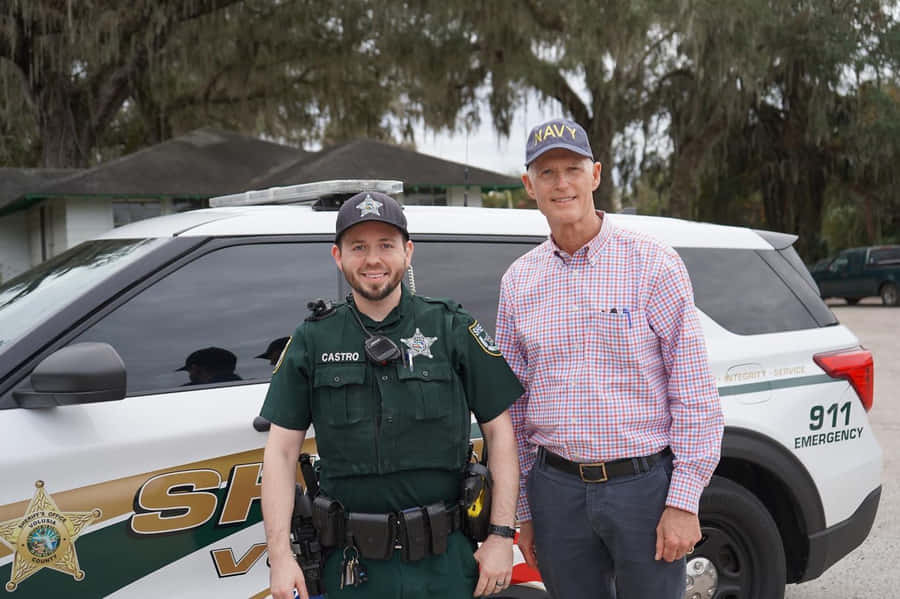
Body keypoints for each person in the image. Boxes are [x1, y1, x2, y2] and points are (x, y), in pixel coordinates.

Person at [495, 118, 724, 599]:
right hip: (555, 492)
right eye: (547, 172)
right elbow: (512, 406)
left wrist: (683, 501)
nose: (561, 183)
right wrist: (525, 511)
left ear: (595, 175)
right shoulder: (518, 282)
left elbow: (695, 393)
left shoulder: (653, 263)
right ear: (528, 185)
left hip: (642, 488)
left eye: (572, 169)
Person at [260, 191, 523, 599]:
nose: (373, 259)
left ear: (408, 252)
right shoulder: (312, 340)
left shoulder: (451, 327)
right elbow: (279, 452)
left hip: (447, 564)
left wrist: (502, 536)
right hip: (353, 568)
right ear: (338, 256)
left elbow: (500, 433)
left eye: (386, 245)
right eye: (358, 247)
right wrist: (280, 557)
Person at [176, 346, 242, 385]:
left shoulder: (187, 395)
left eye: (189, 371)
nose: (190, 376)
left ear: (196, 369)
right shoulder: (246, 388)